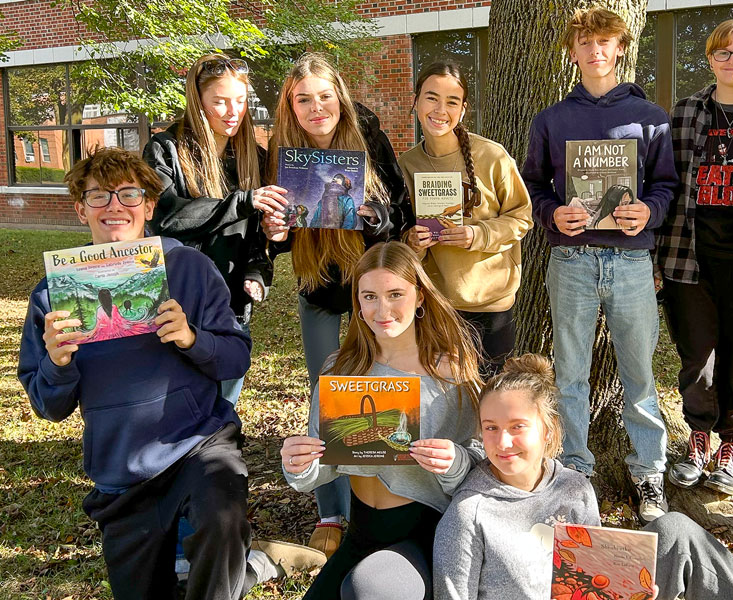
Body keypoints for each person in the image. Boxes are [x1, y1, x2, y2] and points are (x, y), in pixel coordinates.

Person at [17, 148, 323, 600]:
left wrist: (191, 338)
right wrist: (57, 364)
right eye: (98, 196)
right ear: (80, 209)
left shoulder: (190, 269)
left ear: (149, 206)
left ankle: (236, 567)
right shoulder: (53, 294)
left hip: (199, 443)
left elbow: (236, 358)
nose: (115, 206)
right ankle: (254, 567)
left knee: (221, 524)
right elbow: (48, 406)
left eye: (128, 194)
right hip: (121, 468)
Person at [433, 354, 733, 600]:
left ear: (548, 431)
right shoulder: (469, 514)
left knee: (675, 530)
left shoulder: (574, 488)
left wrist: (628, 592)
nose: (503, 442)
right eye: (491, 428)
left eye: (517, 427)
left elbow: (594, 579)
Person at [521, 6, 677, 524]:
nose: (595, 51)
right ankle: (575, 469)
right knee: (570, 375)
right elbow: (534, 187)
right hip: (572, 258)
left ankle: (648, 473)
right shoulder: (551, 119)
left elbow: (666, 185)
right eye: (585, 43)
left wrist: (648, 211)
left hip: (631, 262)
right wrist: (553, 213)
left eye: (605, 42)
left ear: (620, 48)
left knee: (639, 375)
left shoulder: (650, 117)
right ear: (573, 52)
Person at [259, 52, 412, 557]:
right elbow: (276, 235)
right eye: (304, 99)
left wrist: (372, 215)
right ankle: (332, 508)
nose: (316, 107)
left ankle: (389, 489)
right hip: (318, 283)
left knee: (383, 378)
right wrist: (275, 231)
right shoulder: (281, 147)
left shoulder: (364, 129)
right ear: (291, 106)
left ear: (339, 99)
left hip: (369, 281)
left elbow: (400, 213)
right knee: (325, 388)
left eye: (324, 96)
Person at [279, 241, 484, 600]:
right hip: (361, 529)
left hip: (424, 530)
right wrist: (299, 466)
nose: (382, 309)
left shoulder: (450, 371)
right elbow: (323, 469)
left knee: (368, 589)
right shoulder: (339, 369)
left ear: (420, 297)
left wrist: (454, 462)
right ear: (356, 302)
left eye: (395, 294)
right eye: (369, 296)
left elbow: (482, 462)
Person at [656, 17, 733, 498]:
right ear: (710, 60)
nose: (732, 60)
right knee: (696, 357)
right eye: (723, 53)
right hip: (689, 255)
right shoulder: (684, 112)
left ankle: (731, 445)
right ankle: (698, 437)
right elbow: (663, 182)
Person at [143, 53, 274, 406]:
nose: (233, 112)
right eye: (220, 102)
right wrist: (243, 201)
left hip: (232, 303)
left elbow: (260, 236)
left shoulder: (254, 157)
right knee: (178, 400)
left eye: (241, 101)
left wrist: (259, 271)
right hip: (178, 299)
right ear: (197, 101)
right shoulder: (165, 149)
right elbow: (166, 216)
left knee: (225, 400)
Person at [401, 60, 533, 377]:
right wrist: (413, 243)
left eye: (452, 101)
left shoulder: (492, 155)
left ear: (463, 109)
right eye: (431, 97)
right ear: (416, 101)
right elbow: (401, 233)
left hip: (492, 305)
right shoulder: (407, 163)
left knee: (488, 400)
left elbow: (522, 216)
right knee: (446, 399)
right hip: (436, 304)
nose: (440, 109)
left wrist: (478, 235)